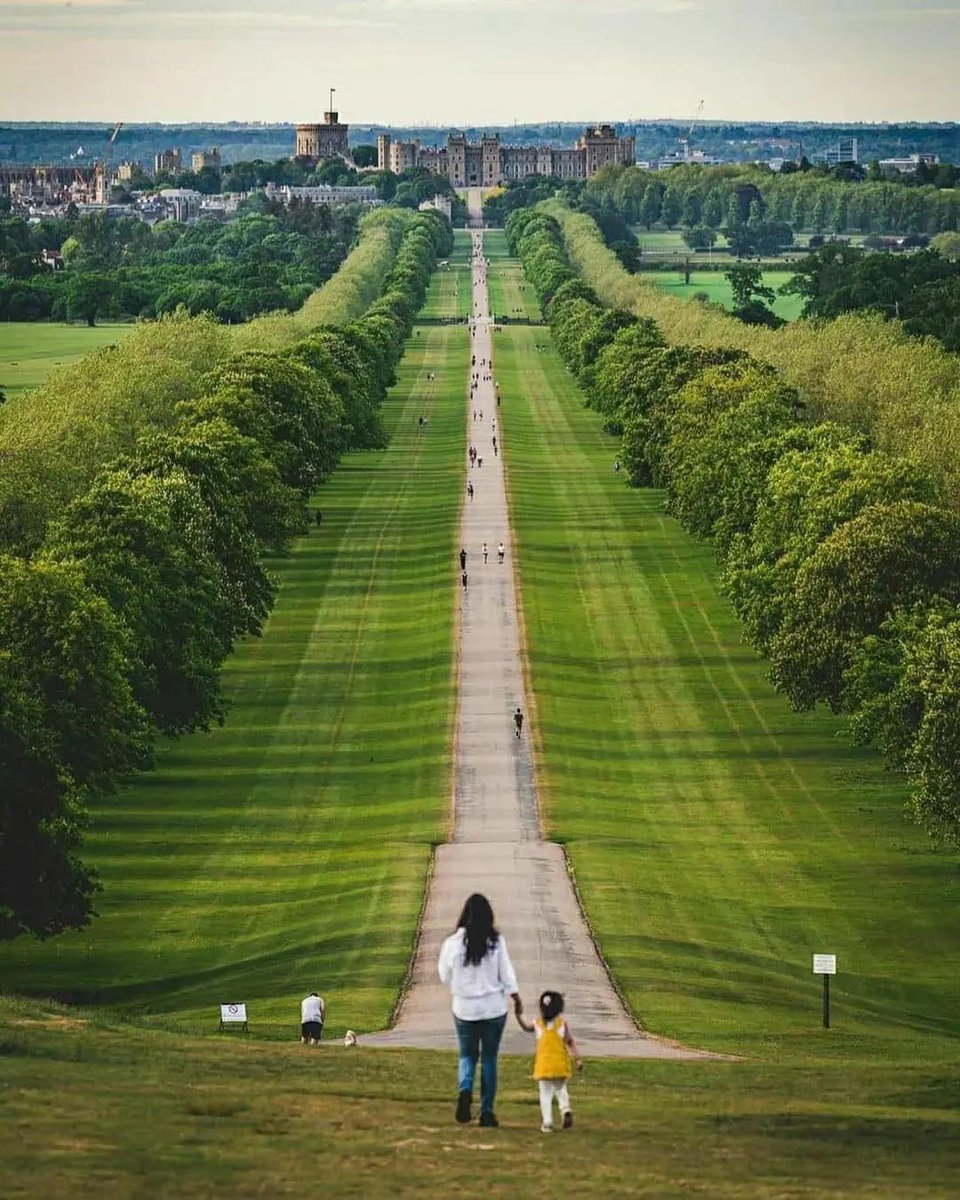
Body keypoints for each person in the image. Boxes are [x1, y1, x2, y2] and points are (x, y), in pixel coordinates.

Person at [438, 894, 521, 1128]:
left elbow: (444, 975)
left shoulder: (452, 944)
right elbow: (507, 974)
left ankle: (465, 1090)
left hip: (465, 1008)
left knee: (467, 1056)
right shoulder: (495, 942)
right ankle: (486, 1111)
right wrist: (515, 995)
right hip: (493, 1008)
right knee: (489, 1059)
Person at [515, 991, 583, 1131]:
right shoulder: (562, 1024)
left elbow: (525, 1027)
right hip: (559, 1064)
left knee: (545, 1093)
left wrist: (518, 1015)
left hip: (544, 1065)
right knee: (560, 1088)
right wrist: (577, 1059)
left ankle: (547, 1122)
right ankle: (565, 1109)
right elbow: (570, 1042)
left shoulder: (538, 1024)